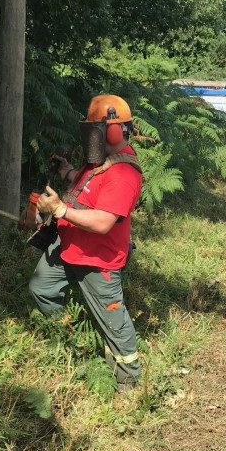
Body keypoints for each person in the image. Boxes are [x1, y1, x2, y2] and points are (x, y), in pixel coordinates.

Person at [28, 95, 143, 394]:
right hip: (68, 248)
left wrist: (61, 211)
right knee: (41, 288)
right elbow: (83, 183)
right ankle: (71, 334)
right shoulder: (100, 162)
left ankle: (128, 381)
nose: (90, 139)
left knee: (114, 321)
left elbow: (104, 222)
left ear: (114, 132)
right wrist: (65, 168)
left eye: (95, 132)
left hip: (97, 259)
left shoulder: (125, 173)